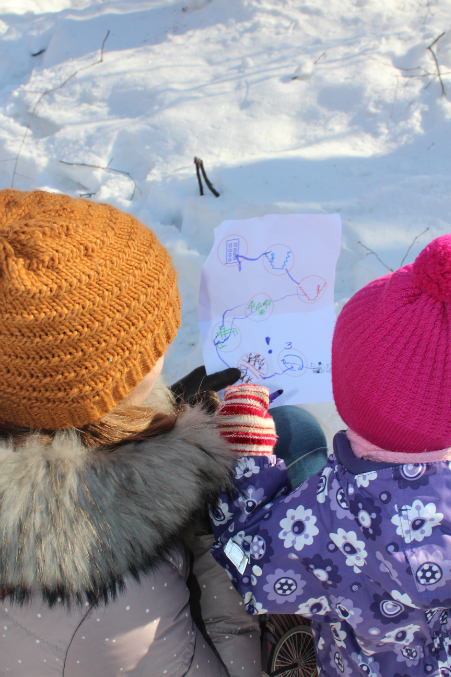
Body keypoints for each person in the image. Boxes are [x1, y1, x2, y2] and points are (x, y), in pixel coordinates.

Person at [0, 188, 243, 677]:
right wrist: (218, 544)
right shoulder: (103, 601)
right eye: (151, 347)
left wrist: (170, 414)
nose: (165, 348)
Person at [210, 234, 451, 677]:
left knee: (298, 431)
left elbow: (249, 563)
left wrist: (244, 456)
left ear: (347, 390)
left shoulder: (328, 516)